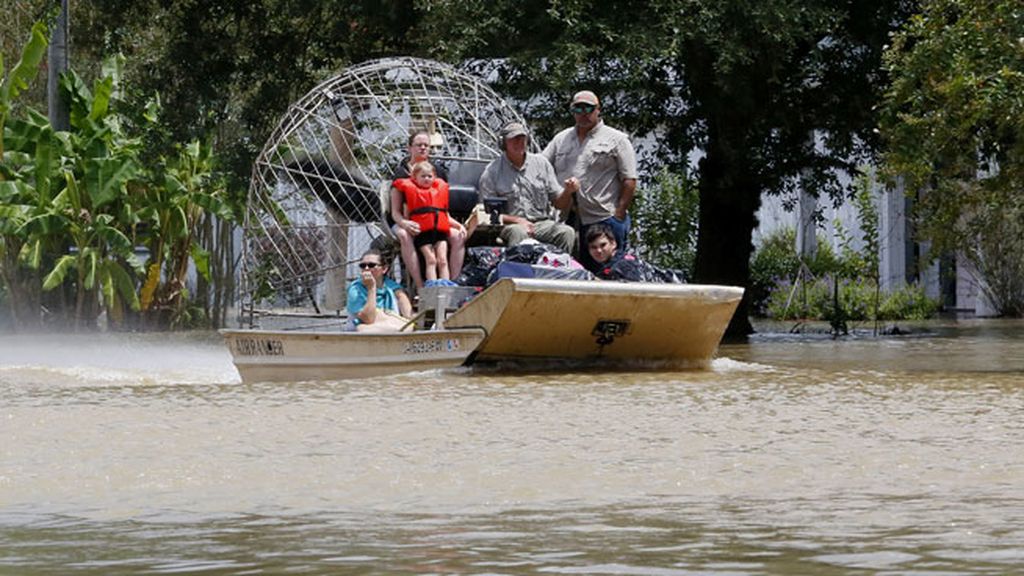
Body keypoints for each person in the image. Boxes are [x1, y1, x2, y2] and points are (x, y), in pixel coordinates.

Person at [545, 90, 638, 272]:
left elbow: (630, 179)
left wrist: (619, 213)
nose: (583, 113)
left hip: (604, 218)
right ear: (572, 111)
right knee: (575, 272)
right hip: (569, 220)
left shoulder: (617, 139)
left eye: (588, 108)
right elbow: (541, 166)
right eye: (578, 108)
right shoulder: (560, 139)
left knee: (611, 273)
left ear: (598, 110)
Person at [477, 122, 577, 254]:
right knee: (518, 233)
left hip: (541, 223)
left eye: (522, 138)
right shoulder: (491, 172)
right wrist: (516, 220)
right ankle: (520, 272)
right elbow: (485, 213)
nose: (519, 142)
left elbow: (559, 204)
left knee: (566, 232)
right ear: (503, 144)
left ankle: (558, 270)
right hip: (510, 225)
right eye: (514, 139)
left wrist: (568, 191)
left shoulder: (542, 164)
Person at [390, 131, 466, 289]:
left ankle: (452, 283)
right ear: (409, 148)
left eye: (426, 145)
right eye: (419, 145)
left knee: (458, 236)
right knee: (404, 236)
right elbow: (395, 211)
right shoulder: (400, 173)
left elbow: (443, 208)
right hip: (407, 221)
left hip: (436, 221)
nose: (423, 148)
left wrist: (458, 225)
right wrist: (405, 223)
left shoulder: (438, 172)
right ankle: (420, 285)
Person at [585, 224, 686, 283]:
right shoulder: (612, 265)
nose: (598, 251)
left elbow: (636, 292)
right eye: (593, 247)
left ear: (613, 244)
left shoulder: (623, 265)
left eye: (603, 245)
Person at [346, 248, 413, 332]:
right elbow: (368, 319)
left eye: (371, 265)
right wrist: (371, 288)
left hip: (386, 324)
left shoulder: (389, 284)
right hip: (366, 325)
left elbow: (401, 297)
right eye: (363, 266)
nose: (366, 268)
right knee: (363, 329)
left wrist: (409, 318)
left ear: (384, 269)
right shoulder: (355, 289)